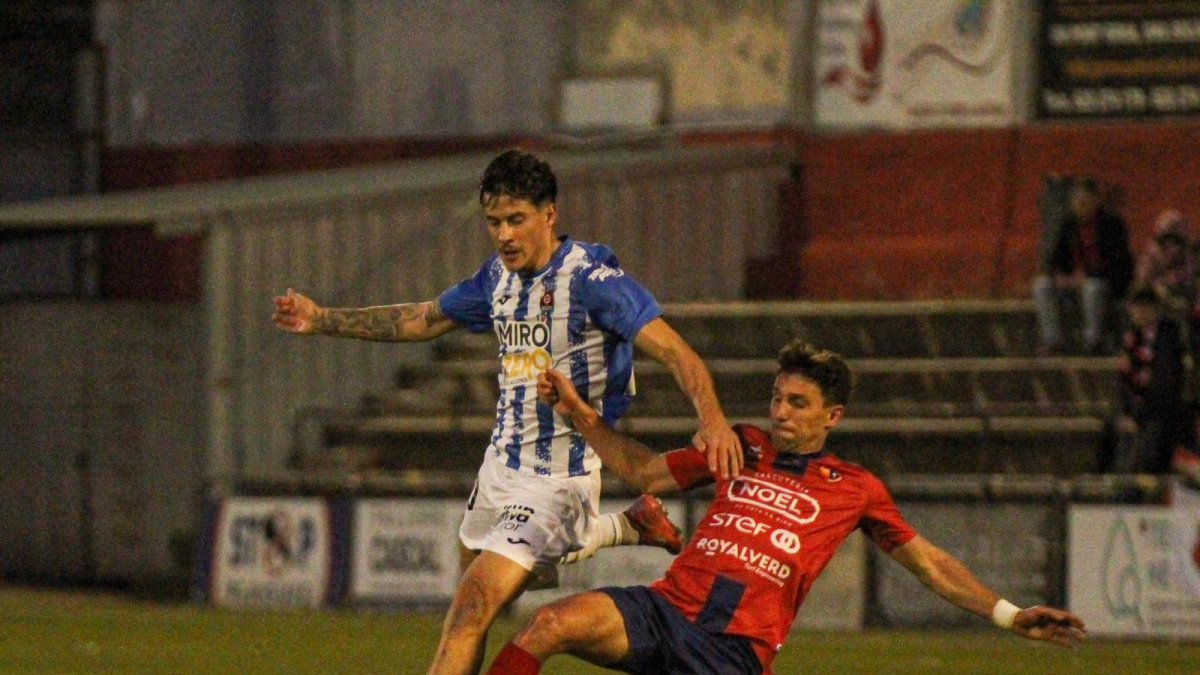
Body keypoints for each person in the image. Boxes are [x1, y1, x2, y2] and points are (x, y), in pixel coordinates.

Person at [271, 148, 742, 675]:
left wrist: (713, 420)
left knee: (471, 608)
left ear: (549, 214)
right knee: (473, 605)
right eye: (494, 222)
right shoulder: (496, 280)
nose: (504, 235)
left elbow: (677, 351)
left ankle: (608, 526)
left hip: (558, 476)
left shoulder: (591, 282)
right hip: (499, 468)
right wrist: (321, 319)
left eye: (516, 220)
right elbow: (422, 319)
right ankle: (623, 528)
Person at [485, 341, 1087, 674]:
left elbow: (929, 564)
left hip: (734, 651)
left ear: (833, 416)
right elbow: (643, 472)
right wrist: (579, 415)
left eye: (798, 402)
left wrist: (1009, 615)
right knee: (548, 625)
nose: (781, 412)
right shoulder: (741, 444)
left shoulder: (856, 487)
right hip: (667, 610)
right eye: (777, 397)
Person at [1033, 175, 1134, 355]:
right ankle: (1053, 340)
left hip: (1104, 283)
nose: (1080, 205)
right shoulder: (1067, 226)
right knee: (1042, 286)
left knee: (1092, 288)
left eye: (1085, 201)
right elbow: (1055, 259)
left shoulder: (1111, 225)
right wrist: (1059, 277)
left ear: (1095, 201)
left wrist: (1088, 275)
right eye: (1077, 201)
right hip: (1073, 282)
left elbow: (1118, 264)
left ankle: (1093, 340)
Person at [1109, 286, 1188, 474]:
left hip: (1159, 412)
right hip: (1135, 411)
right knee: (1116, 432)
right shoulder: (1131, 337)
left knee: (1149, 436)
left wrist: (1137, 418)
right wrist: (1125, 413)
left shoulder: (1167, 337)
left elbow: (1164, 382)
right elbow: (1123, 380)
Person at [1134, 208, 1193, 315]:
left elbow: (1188, 279)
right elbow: (1142, 279)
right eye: (1168, 238)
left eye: (1176, 240)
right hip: (1154, 296)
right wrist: (1159, 288)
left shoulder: (1186, 254)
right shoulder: (1151, 252)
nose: (1172, 246)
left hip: (1180, 294)